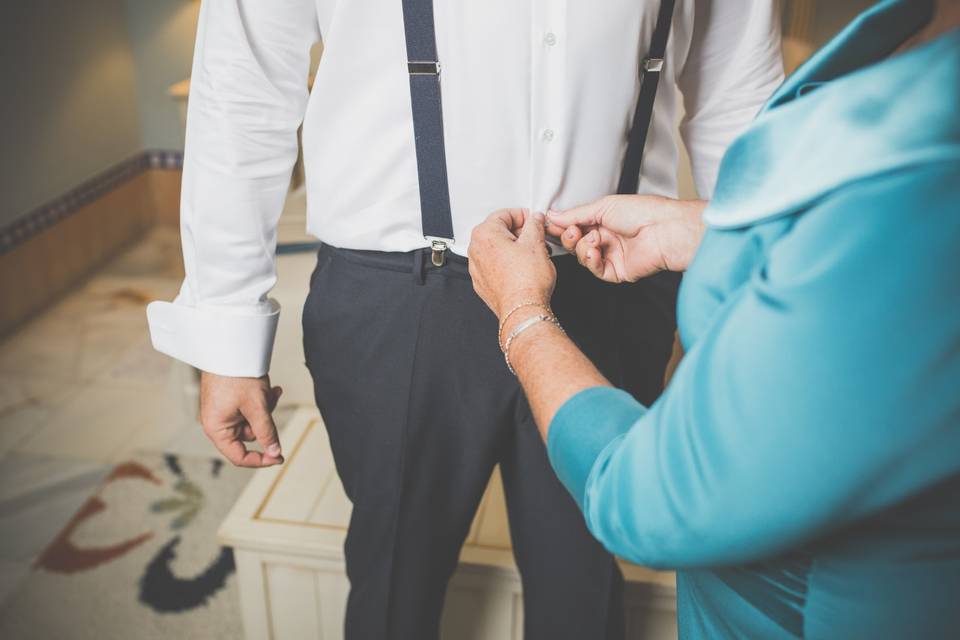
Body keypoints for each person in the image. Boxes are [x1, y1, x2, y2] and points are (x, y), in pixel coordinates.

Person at [146, 0, 783, 637]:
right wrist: (227, 329)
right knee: (395, 575)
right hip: (397, 305)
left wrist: (765, 312)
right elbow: (244, 86)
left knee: (583, 577)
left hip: (614, 275)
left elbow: (738, 95)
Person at [467, 0, 960, 636]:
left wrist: (522, 313)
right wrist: (702, 227)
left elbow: (645, 500)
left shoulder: (924, 173)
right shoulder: (916, 29)